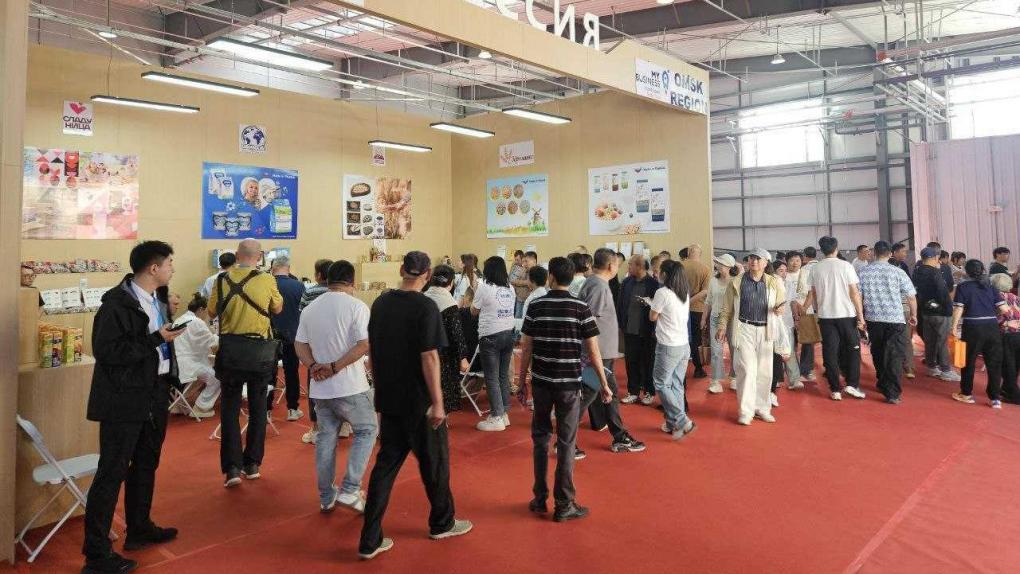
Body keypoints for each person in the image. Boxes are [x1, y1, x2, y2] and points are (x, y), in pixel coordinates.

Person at [359, 252, 472, 560]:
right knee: (435, 463)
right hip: (419, 401)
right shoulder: (426, 307)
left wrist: (380, 392)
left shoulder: (381, 303)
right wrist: (438, 402)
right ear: (427, 273)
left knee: (385, 467)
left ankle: (369, 540)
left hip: (390, 398)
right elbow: (430, 357)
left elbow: (374, 350)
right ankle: (442, 523)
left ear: (401, 269)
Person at [82, 241, 182, 574]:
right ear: (153, 268)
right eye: (169, 263)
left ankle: (139, 527)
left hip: (154, 392)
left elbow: (158, 345)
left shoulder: (158, 299)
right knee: (112, 472)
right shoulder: (117, 304)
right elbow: (108, 352)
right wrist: (156, 339)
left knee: (146, 464)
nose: (172, 269)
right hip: (123, 398)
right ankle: (97, 554)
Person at [519, 256, 613, 522]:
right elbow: (593, 350)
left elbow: (527, 346)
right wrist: (604, 383)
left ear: (551, 276)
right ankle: (564, 504)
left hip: (541, 383)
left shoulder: (536, 305)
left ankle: (539, 498)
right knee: (566, 442)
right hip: (569, 385)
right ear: (571, 279)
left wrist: (522, 381)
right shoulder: (581, 307)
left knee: (540, 439)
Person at [294, 260, 378, 514]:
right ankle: (350, 488)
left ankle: (326, 496)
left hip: (320, 388)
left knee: (325, 439)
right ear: (352, 282)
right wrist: (335, 366)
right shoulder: (357, 306)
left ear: (326, 279)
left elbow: (299, 344)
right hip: (350, 385)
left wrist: (313, 366)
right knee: (367, 430)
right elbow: (364, 344)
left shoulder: (310, 309)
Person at [208, 238, 283, 487]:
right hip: (259, 352)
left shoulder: (221, 280)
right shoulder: (267, 279)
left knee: (229, 409)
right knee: (258, 408)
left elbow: (211, 311)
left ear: (237, 254)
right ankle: (252, 464)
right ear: (259, 256)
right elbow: (277, 308)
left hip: (230, 351)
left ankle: (231, 468)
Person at [578, 248, 645, 453]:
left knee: (609, 393)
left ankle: (619, 435)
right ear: (610, 266)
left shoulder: (595, 283)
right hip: (598, 354)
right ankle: (563, 437)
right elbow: (589, 321)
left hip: (603, 353)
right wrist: (592, 354)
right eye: (617, 264)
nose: (618, 267)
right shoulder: (598, 286)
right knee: (588, 394)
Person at [717, 248, 790, 425]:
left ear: (766, 263)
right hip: (744, 328)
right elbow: (727, 307)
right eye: (751, 258)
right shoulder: (736, 282)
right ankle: (745, 411)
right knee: (747, 370)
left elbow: (781, 305)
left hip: (766, 330)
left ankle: (762, 409)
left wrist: (780, 309)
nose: (754, 261)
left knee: (765, 372)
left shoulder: (774, 282)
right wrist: (722, 326)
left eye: (758, 259)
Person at [803, 237, 866, 401]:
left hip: (826, 317)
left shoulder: (815, 268)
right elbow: (854, 293)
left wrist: (819, 311)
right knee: (853, 351)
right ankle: (852, 384)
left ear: (821, 250)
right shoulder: (846, 266)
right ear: (836, 248)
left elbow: (814, 293)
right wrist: (861, 316)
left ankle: (835, 389)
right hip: (847, 315)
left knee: (829, 352)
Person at [858, 241, 918, 404]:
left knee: (877, 351)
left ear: (874, 253)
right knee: (894, 355)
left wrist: (860, 317)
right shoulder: (898, 272)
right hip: (895, 319)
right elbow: (911, 296)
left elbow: (858, 297)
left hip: (874, 319)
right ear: (890, 254)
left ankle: (882, 381)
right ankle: (893, 393)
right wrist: (914, 314)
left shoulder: (863, 272)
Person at [649, 260, 699, 438]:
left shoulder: (662, 292)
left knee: (660, 383)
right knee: (676, 384)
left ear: (665, 274)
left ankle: (682, 420)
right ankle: (673, 425)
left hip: (668, 346)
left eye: (660, 271)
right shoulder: (683, 292)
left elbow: (653, 317)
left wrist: (651, 304)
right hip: (683, 344)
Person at [951, 260, 1007, 408]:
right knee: (994, 363)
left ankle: (966, 394)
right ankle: (995, 399)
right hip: (992, 327)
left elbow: (958, 309)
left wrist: (954, 326)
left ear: (967, 272)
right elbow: (1004, 309)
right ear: (983, 270)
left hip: (972, 327)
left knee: (968, 361)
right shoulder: (990, 287)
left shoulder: (963, 287)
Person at [473, 256, 517, 431]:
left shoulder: (484, 287)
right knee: (502, 376)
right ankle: (504, 413)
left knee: (491, 377)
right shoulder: (510, 288)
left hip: (490, 335)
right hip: (509, 333)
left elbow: (474, 311)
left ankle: (496, 416)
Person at [425, 265, 471, 413]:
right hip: (444, 355)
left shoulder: (423, 298)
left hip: (423, 353)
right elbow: (457, 333)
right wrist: (463, 358)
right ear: (451, 283)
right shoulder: (450, 304)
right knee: (443, 393)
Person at [298, 258, 334, 444]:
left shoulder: (310, 292)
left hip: (315, 347)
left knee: (315, 385)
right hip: (338, 347)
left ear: (318, 275)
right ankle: (343, 426)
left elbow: (302, 318)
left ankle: (317, 428)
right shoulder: (340, 294)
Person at [619, 254, 661, 404]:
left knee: (648, 362)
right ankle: (633, 392)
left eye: (631, 264)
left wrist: (648, 303)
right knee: (631, 362)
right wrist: (621, 324)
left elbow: (658, 307)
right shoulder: (626, 282)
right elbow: (620, 304)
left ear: (640, 266)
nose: (628, 267)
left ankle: (649, 392)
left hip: (647, 330)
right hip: (629, 329)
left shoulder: (653, 284)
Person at [913, 247, 959, 382]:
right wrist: (948, 308)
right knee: (942, 341)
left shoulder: (917, 271)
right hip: (940, 312)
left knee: (930, 341)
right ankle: (946, 370)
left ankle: (931, 367)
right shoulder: (935, 272)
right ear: (934, 258)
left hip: (925, 310)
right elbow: (942, 292)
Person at [269, 256, 306, 421]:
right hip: (292, 335)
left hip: (269, 336)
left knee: (269, 373)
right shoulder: (298, 286)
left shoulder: (266, 284)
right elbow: (304, 311)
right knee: (292, 373)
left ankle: (266, 410)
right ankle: (292, 408)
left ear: (273, 268)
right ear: (288, 268)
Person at [172, 293, 219, 418]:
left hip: (176, 365)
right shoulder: (196, 322)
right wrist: (221, 337)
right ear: (201, 309)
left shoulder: (179, 319)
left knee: (201, 377)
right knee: (218, 378)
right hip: (189, 364)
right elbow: (212, 342)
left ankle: (180, 405)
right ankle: (202, 407)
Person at [702, 253, 736, 394]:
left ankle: (735, 377)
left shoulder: (736, 281)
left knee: (735, 348)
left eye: (721, 264)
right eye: (718, 263)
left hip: (732, 319)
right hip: (715, 317)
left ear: (729, 266)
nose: (718, 266)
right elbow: (708, 301)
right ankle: (715, 381)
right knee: (716, 351)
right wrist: (703, 318)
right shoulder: (713, 281)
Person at [770, 260, 801, 404]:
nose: (784, 273)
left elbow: (793, 302)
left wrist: (796, 318)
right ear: (774, 272)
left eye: (785, 270)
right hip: (773, 323)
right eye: (780, 271)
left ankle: (795, 379)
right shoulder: (770, 284)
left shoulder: (789, 284)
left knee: (789, 351)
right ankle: (775, 379)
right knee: (774, 353)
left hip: (787, 323)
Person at [684, 244, 712, 379]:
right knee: (696, 339)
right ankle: (698, 368)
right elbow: (705, 291)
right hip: (697, 308)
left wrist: (684, 302)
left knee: (681, 337)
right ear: (700, 254)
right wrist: (690, 301)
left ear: (688, 252)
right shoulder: (705, 269)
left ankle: (681, 367)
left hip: (679, 308)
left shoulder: (679, 266)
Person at [993, 273, 1020, 404]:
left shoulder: (996, 298)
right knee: (1015, 364)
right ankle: (1006, 388)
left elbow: (995, 319)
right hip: (1018, 334)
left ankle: (1013, 394)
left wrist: (1006, 323)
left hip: (1005, 334)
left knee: (1007, 365)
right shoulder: (1016, 297)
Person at [794, 246, 819, 382]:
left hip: (806, 309)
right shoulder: (821, 267)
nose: (795, 263)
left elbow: (808, 292)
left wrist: (803, 308)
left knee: (807, 341)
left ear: (803, 257)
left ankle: (805, 370)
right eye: (793, 260)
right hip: (821, 310)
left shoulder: (805, 271)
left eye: (798, 260)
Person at [509, 250, 531, 318]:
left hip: (523, 297)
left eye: (517, 260)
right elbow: (511, 280)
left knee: (520, 316)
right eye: (515, 260)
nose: (516, 262)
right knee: (515, 315)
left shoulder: (526, 269)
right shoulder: (514, 266)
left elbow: (529, 283)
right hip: (515, 295)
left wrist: (518, 282)